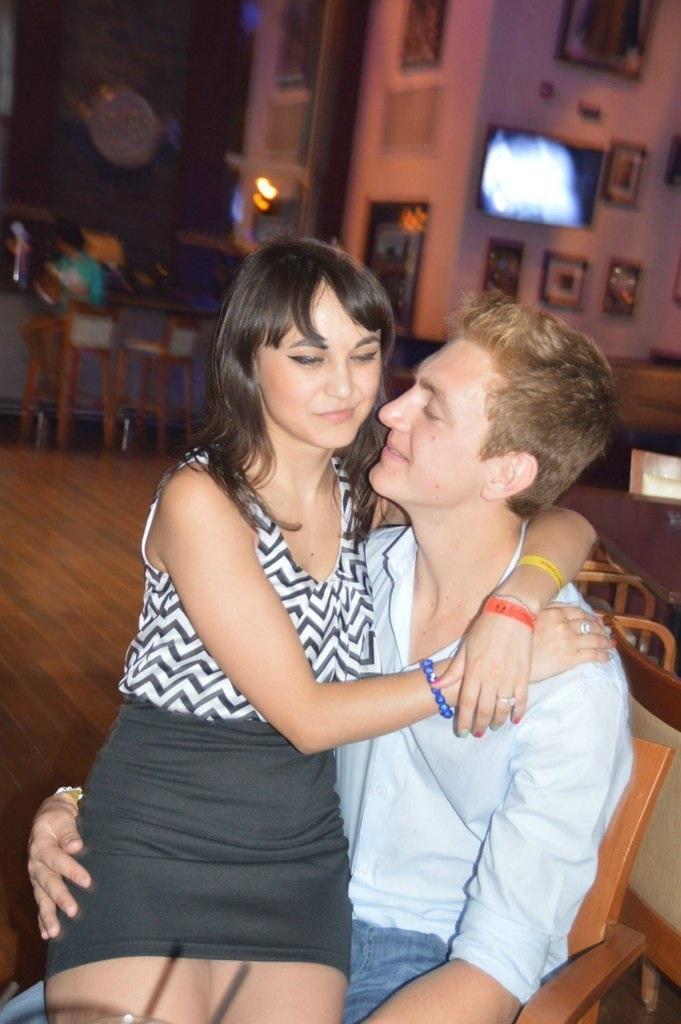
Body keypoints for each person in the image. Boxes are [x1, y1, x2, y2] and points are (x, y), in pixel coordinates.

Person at [11, 245, 602, 1024]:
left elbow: (559, 517)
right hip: (157, 846)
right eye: (307, 356)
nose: (349, 388)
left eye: (364, 354)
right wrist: (466, 668)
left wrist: (516, 604)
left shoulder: (363, 498)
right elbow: (307, 717)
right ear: (247, 361)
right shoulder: (203, 499)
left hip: (298, 872)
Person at [336, 292, 632, 1023]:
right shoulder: (363, 572)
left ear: (505, 474)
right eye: (411, 389)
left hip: (434, 958)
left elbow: (498, 961)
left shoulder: (571, 682)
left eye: (430, 408)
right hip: (298, 907)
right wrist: (77, 804)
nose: (390, 412)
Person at [18, 218, 105, 402]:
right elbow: (53, 297)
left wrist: (74, 286)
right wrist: (46, 284)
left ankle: (55, 386)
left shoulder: (91, 265)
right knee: (28, 329)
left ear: (63, 241)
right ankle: (55, 380)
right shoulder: (63, 262)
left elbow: (95, 297)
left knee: (50, 334)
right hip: (65, 317)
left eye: (58, 241)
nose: (57, 245)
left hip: (87, 321)